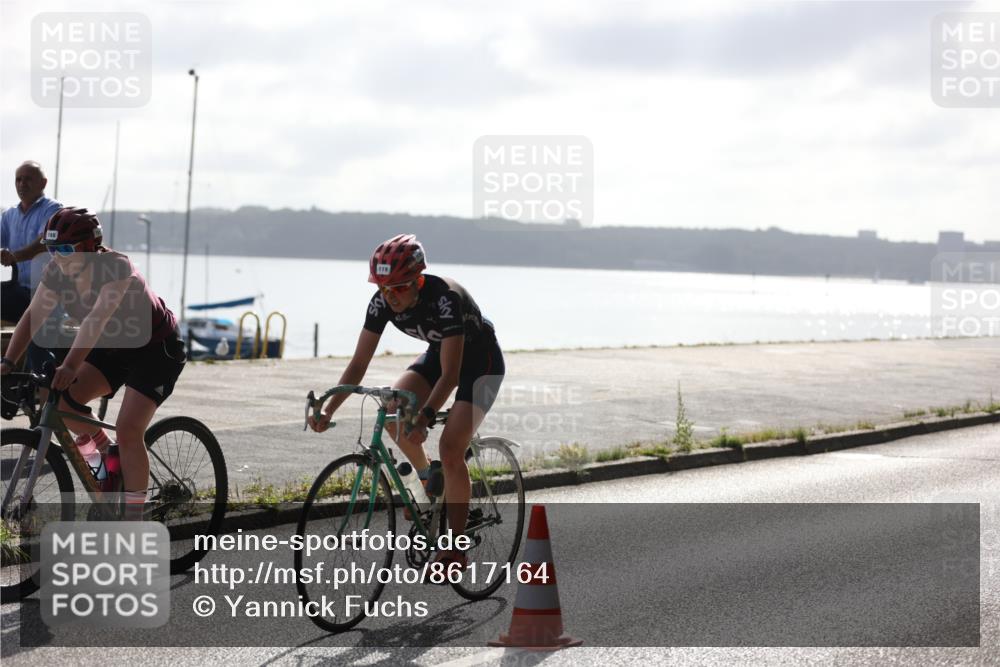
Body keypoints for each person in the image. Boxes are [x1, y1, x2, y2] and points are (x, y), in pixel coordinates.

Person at [308, 234, 504, 568]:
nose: (391, 296)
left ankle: (456, 550)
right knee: (392, 410)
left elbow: (451, 374)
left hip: (481, 365)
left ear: (418, 280)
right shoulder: (381, 301)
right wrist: (329, 408)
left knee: (451, 448)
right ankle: (428, 480)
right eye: (384, 288)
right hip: (437, 355)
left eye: (399, 288)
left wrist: (426, 417)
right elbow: (358, 364)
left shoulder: (445, 299)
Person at [0, 207, 185, 520]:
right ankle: (105, 452)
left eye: (66, 249)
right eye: (52, 248)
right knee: (57, 399)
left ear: (89, 247)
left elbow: (96, 320)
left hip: (156, 349)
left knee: (129, 430)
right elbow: (33, 316)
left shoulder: (115, 267)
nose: (58, 256)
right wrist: (7, 361)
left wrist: (70, 365)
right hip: (112, 348)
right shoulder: (58, 272)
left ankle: (132, 521)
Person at [1, 161, 61, 323]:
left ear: (43, 183)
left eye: (28, 179)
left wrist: (13, 256)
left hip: (47, 294)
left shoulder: (53, 209)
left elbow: (45, 242)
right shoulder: (9, 215)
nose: (22, 184)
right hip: (20, 291)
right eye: (18, 179)